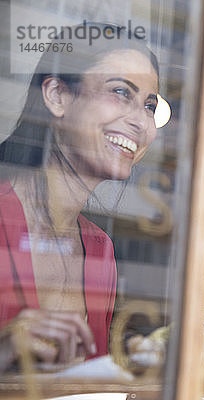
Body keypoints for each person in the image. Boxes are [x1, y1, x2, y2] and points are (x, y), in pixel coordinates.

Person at [0, 24, 160, 372]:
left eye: (149, 105)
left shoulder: (100, 249)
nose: (141, 122)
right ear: (57, 96)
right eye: (121, 92)